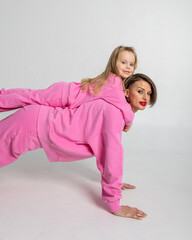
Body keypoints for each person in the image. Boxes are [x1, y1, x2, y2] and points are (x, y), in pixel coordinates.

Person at [0, 73, 157, 219]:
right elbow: (112, 157)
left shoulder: (114, 108)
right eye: (140, 91)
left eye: (149, 94)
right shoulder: (115, 115)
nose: (145, 97)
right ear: (127, 93)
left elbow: (103, 150)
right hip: (33, 125)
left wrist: (114, 182)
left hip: (36, 120)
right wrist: (115, 205)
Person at [0, 46, 137, 129]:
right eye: (123, 62)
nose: (127, 67)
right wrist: (129, 123)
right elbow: (125, 108)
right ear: (114, 62)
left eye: (131, 64)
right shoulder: (115, 84)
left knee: (31, 94)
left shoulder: (110, 79)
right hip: (63, 95)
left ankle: (3, 94)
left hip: (64, 91)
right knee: (30, 97)